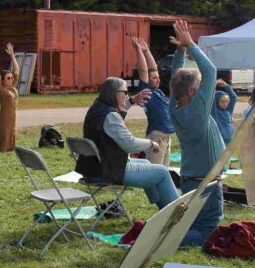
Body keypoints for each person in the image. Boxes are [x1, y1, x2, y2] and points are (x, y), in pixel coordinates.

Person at [75, 77, 179, 213]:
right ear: (115, 93)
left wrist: (131, 101)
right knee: (163, 172)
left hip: (94, 168)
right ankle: (177, 213)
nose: (127, 95)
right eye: (125, 92)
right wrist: (151, 143)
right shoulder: (111, 116)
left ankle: (162, 209)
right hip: (110, 170)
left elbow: (116, 117)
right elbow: (129, 144)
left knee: (147, 164)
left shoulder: (98, 107)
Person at [168, 20, 225, 247]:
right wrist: (190, 44)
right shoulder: (197, 111)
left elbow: (175, 76)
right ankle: (164, 239)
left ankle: (170, 235)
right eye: (200, 86)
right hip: (205, 184)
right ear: (192, 91)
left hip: (190, 180)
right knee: (207, 233)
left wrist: (180, 51)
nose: (204, 88)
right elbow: (210, 71)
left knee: (194, 224)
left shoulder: (175, 107)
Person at [130, 37, 175, 166]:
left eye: (158, 78)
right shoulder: (146, 92)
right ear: (147, 80)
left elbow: (153, 68)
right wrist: (139, 50)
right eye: (154, 78)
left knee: (164, 171)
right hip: (156, 137)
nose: (158, 80)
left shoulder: (158, 92)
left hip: (167, 138)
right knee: (155, 169)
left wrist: (147, 51)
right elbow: (144, 71)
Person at [211, 79, 237, 145]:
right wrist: (214, 85)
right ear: (216, 101)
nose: (225, 104)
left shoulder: (228, 110)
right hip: (218, 141)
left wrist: (226, 86)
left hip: (229, 140)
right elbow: (211, 98)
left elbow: (233, 97)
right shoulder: (214, 111)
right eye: (222, 101)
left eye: (227, 101)